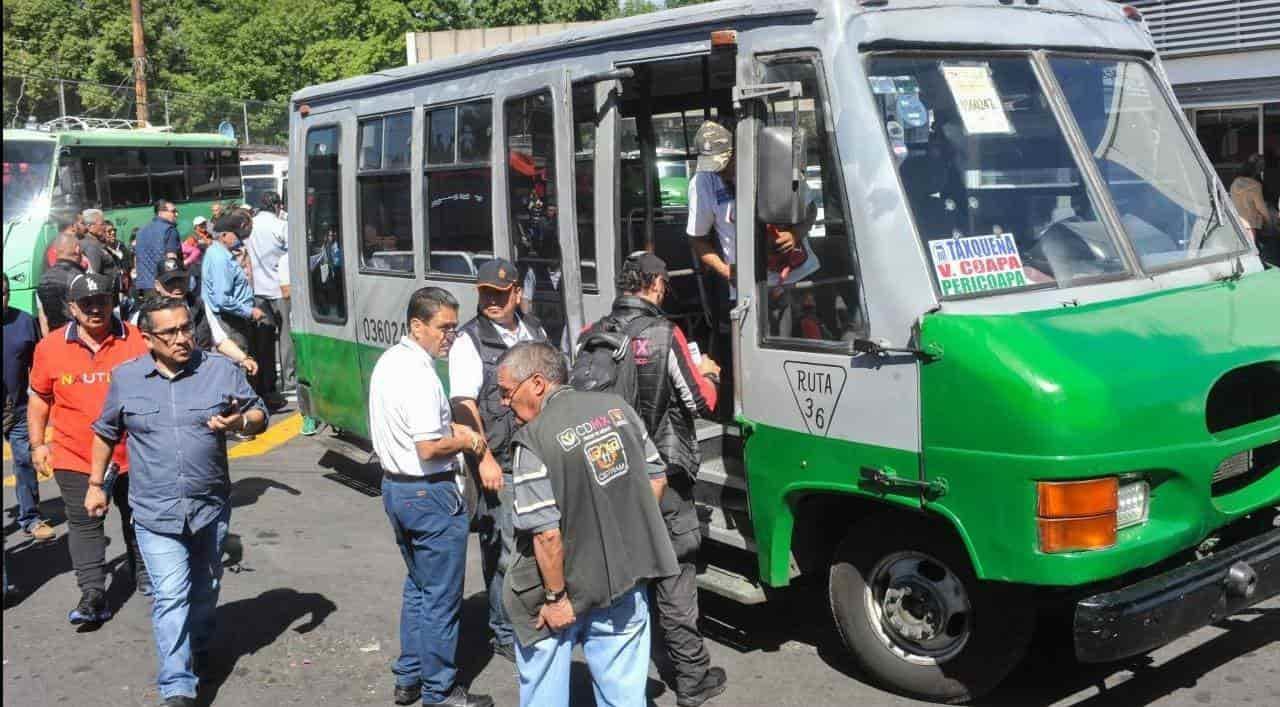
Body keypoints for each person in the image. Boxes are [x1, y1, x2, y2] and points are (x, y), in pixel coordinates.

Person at [89, 296, 268, 707]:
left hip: (209, 507)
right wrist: (96, 484)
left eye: (186, 328)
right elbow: (104, 432)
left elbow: (258, 414)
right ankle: (177, 687)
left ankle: (198, 645)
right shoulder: (126, 378)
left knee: (205, 590)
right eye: (170, 332)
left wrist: (240, 422)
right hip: (154, 511)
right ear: (147, 337)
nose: (182, 338)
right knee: (171, 595)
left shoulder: (220, 370)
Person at [499, 341, 678, 707]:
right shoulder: (618, 409)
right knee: (624, 694)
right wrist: (621, 542)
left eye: (506, 392)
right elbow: (656, 479)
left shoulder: (533, 440)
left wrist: (556, 598)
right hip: (622, 581)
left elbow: (547, 534)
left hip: (556, 590)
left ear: (536, 383)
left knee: (544, 693)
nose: (504, 403)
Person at [601, 253, 727, 706]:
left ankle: (625, 682)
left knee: (630, 580)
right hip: (665, 475)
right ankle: (692, 679)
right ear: (655, 284)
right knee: (675, 576)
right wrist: (709, 373)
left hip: (612, 474)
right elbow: (699, 402)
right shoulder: (663, 333)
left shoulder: (592, 334)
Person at [368, 287, 493, 707]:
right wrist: (467, 440)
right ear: (416, 325)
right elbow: (428, 447)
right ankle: (440, 691)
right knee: (440, 597)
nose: (450, 337)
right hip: (430, 494)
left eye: (455, 328)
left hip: (397, 490)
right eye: (443, 328)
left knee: (419, 588)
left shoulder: (390, 361)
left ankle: (409, 677)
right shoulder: (420, 376)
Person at [28, 273, 151, 624]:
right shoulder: (50, 347)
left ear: (114, 302)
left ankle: (144, 573)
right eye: (87, 304)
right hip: (74, 454)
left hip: (134, 453)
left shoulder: (137, 339)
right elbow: (39, 398)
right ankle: (93, 593)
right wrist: (38, 445)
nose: (96, 309)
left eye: (102, 301)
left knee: (138, 516)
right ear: (72, 308)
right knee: (84, 523)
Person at [449, 258, 549, 662]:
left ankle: (528, 615)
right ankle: (504, 630)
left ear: (517, 294)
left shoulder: (535, 331)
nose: (491, 300)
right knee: (505, 551)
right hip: (501, 461)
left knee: (538, 541)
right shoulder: (468, 341)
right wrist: (484, 458)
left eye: (500, 293)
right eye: (485, 293)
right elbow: (463, 404)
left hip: (537, 454)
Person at [135, 258, 259, 377]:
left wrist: (243, 358)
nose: (177, 286)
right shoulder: (144, 314)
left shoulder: (200, 306)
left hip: (201, 372)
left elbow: (220, 340)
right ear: (158, 285)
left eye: (180, 280)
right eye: (170, 282)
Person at [4, 274, 54, 542]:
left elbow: (40, 360)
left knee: (24, 460)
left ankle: (31, 518)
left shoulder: (23, 321)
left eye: (3, 293)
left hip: (20, 408)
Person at [203, 214, 267, 386]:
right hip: (229, 320)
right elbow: (222, 299)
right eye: (237, 236)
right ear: (224, 235)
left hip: (233, 317)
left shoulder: (222, 254)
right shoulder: (219, 258)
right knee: (238, 364)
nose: (240, 240)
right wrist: (250, 311)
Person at [247, 191, 293, 401]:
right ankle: (289, 379)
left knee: (264, 339)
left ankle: (268, 382)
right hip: (279, 289)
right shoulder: (280, 225)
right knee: (285, 336)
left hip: (256, 290)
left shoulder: (250, 226)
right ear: (276, 205)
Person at [36, 225, 86, 335]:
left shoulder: (43, 279)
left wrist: (48, 341)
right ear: (77, 249)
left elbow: (43, 316)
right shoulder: (78, 278)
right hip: (77, 337)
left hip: (54, 338)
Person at [1230, 153, 1278, 266]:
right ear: (1255, 167)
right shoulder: (1255, 184)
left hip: (1238, 221)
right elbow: (1260, 207)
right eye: (1261, 164)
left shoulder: (1235, 182)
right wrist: (1269, 221)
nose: (1263, 167)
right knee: (1258, 254)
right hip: (1253, 224)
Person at [134, 200, 183, 296]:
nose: (176, 214)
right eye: (173, 211)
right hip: (165, 287)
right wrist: (175, 287)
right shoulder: (169, 230)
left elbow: (137, 259)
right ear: (161, 212)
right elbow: (171, 259)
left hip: (145, 286)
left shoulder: (141, 231)